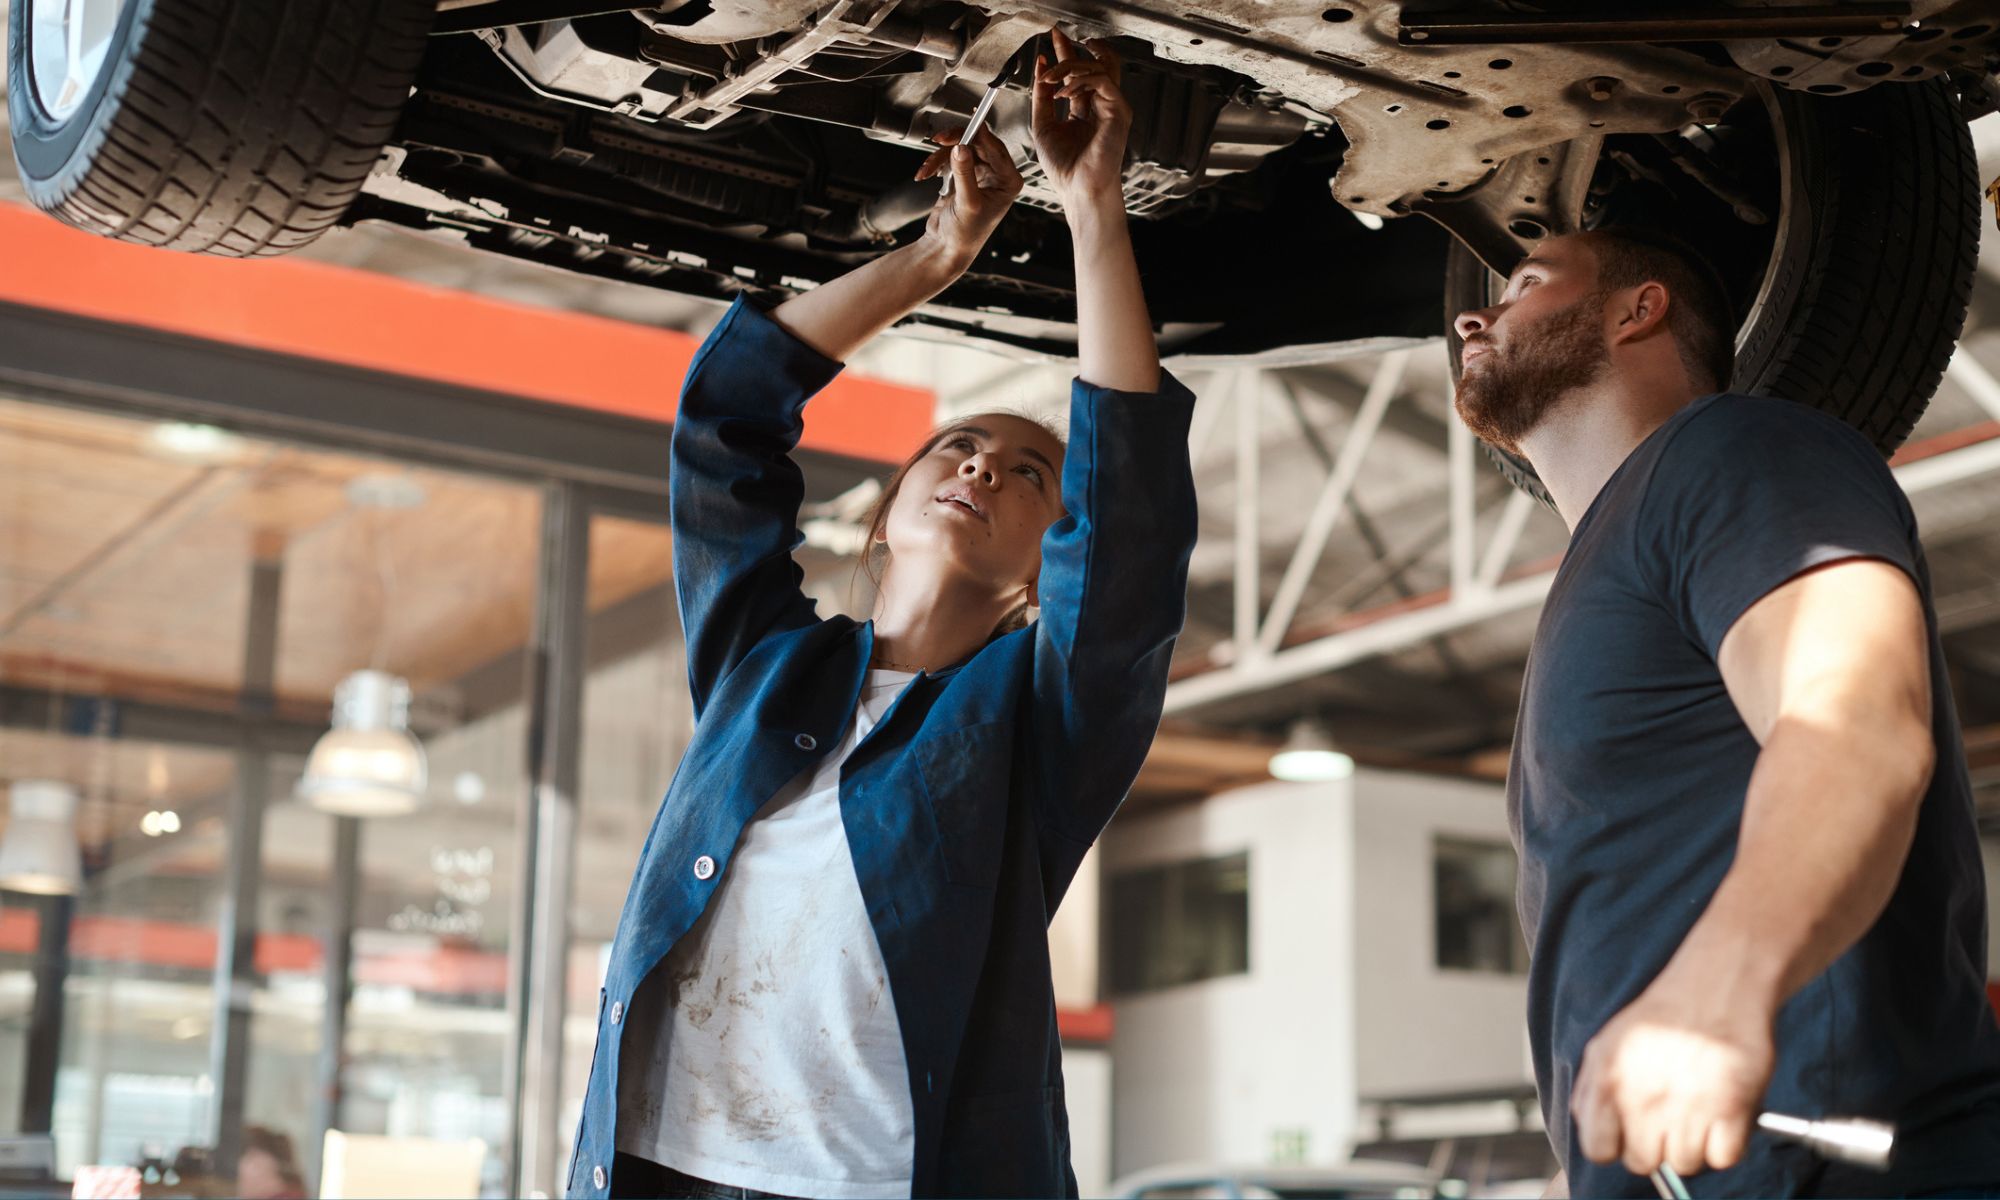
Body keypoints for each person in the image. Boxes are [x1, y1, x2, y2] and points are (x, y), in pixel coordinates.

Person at [565, 29, 1197, 1200]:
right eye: (957, 447)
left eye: (1028, 473)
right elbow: (724, 425)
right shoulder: (765, 668)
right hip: (655, 1167)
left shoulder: (1036, 725)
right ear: (888, 510)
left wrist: (1091, 206)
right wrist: (936, 255)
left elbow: (1127, 544)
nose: (983, 467)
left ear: (1036, 569)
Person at [1451, 228, 2000, 1197]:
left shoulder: (1734, 448)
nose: (1470, 313)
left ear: (1638, 308)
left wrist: (1720, 987)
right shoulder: (1602, 566)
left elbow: (1855, 716)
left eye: (1527, 283)